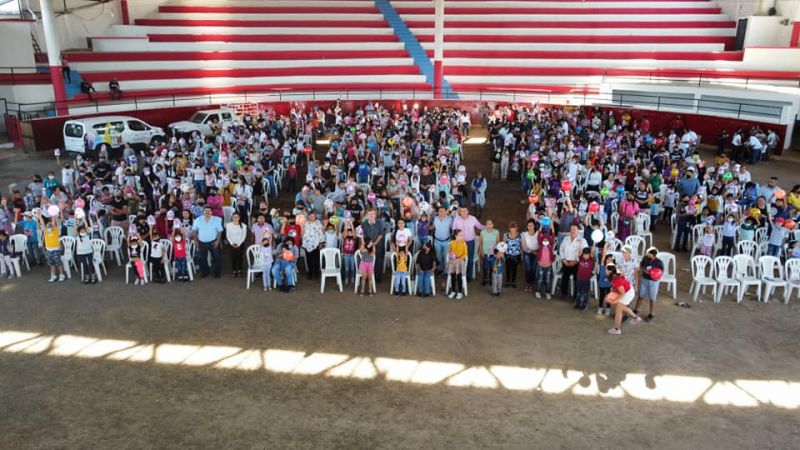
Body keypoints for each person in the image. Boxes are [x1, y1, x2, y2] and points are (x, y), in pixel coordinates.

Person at [605, 264, 643, 335]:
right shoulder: (615, 275)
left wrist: (615, 300)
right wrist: (613, 294)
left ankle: (617, 329)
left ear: (610, 271)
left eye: (606, 269)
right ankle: (636, 318)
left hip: (627, 293)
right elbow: (616, 287)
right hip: (628, 291)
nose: (605, 271)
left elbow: (623, 293)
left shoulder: (617, 280)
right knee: (622, 307)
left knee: (618, 310)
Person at [452, 206, 484, 281]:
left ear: (468, 211)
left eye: (465, 211)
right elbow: (454, 230)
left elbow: (480, 226)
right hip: (460, 242)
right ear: (460, 212)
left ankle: (468, 276)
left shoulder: (472, 218)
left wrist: (488, 227)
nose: (463, 212)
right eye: (461, 211)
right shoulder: (456, 219)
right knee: (459, 258)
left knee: (469, 258)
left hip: (470, 242)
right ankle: (460, 275)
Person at [192, 206, 223, 278]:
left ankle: (217, 273)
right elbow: (194, 231)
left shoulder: (216, 220)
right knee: (202, 258)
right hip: (201, 242)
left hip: (213, 242)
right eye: (206, 211)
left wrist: (217, 241)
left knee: (216, 258)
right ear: (203, 212)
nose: (207, 212)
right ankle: (205, 272)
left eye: (209, 211)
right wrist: (196, 241)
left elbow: (220, 231)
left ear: (212, 212)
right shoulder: (198, 220)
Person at [634, 247, 664, 322]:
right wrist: (644, 270)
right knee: (641, 295)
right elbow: (641, 265)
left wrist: (654, 275)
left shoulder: (659, 262)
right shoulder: (645, 258)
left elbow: (661, 273)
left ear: (653, 255)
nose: (647, 254)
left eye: (649, 254)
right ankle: (636, 310)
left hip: (654, 282)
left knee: (652, 298)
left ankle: (651, 314)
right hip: (645, 279)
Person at [558, 224, 587, 300]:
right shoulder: (565, 239)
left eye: (574, 229)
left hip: (577, 263)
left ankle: (576, 295)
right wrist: (563, 260)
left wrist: (576, 261)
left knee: (577, 278)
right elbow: (561, 250)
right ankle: (564, 293)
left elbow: (585, 253)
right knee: (565, 277)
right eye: (571, 229)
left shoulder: (582, 240)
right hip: (566, 261)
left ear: (578, 231)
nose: (573, 231)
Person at [38, 211, 65, 282]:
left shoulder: (55, 230)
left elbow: (53, 223)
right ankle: (53, 275)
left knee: (58, 262)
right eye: (48, 227)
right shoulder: (45, 231)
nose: (49, 227)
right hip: (48, 250)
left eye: (50, 226)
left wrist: (53, 215)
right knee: (51, 264)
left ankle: (61, 274)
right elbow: (42, 223)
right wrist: (40, 216)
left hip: (56, 249)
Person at [225, 212, 247, 278]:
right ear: (232, 217)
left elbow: (244, 236)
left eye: (237, 217)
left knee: (240, 257)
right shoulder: (228, 225)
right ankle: (234, 270)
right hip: (231, 244)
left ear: (239, 218)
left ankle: (240, 270)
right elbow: (227, 235)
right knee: (233, 257)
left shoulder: (243, 226)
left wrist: (239, 244)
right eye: (234, 217)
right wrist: (231, 243)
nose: (235, 218)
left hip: (240, 244)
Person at [447, 229, 468, 300]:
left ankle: (460, 292)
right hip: (453, 261)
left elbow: (465, 254)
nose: (462, 237)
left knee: (459, 276)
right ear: (456, 236)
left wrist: (458, 259)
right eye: (460, 236)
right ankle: (453, 291)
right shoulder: (452, 243)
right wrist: (451, 255)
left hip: (460, 261)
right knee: (452, 275)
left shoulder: (464, 244)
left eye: (462, 235)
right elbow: (450, 252)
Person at [478, 220, 499, 286]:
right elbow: (480, 243)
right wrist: (481, 251)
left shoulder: (496, 232)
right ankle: (485, 279)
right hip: (485, 252)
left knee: (492, 267)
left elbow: (497, 242)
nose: (489, 225)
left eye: (490, 224)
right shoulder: (482, 232)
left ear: (493, 225)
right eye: (487, 224)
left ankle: (491, 279)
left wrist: (496, 252)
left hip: (493, 253)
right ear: (485, 225)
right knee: (485, 267)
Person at [521, 219, 538, 293]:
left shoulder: (538, 233)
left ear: (534, 226)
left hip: (536, 253)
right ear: (527, 226)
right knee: (528, 268)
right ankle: (527, 283)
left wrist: (537, 252)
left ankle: (531, 284)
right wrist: (533, 252)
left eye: (532, 225)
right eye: (529, 226)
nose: (530, 227)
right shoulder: (524, 234)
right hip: (527, 253)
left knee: (533, 269)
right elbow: (524, 246)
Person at [503, 222, 522, 288]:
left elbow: (521, 246)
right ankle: (508, 281)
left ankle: (513, 282)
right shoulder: (505, 235)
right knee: (508, 268)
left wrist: (521, 255)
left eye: (514, 228)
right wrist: (503, 253)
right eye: (511, 228)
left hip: (517, 255)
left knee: (515, 268)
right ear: (509, 228)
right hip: (508, 255)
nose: (513, 229)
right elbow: (503, 245)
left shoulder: (520, 236)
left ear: (516, 228)